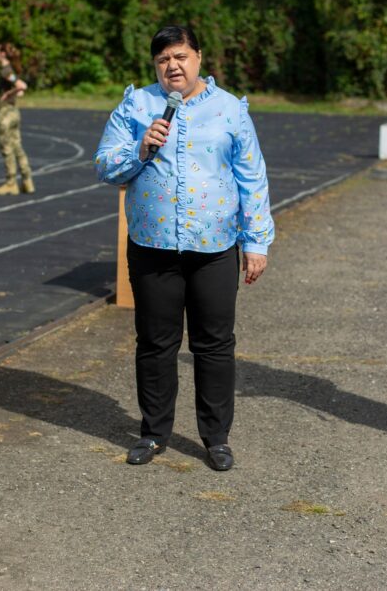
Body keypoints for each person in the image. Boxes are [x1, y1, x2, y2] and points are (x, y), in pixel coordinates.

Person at [95, 25, 274, 471]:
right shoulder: (137, 106)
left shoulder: (230, 110)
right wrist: (140, 148)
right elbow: (106, 167)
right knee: (155, 343)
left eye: (180, 56)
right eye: (162, 60)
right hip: (153, 246)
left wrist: (256, 241)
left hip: (213, 247)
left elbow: (252, 178)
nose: (172, 66)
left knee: (214, 344)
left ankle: (216, 437)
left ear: (198, 56)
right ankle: (154, 433)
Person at [0, 42, 33, 196]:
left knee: (7, 148)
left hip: (5, 112)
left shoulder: (6, 70)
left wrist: (8, 94)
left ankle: (11, 183)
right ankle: (27, 180)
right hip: (14, 111)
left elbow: (22, 86)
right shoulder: (13, 68)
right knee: (17, 146)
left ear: (2, 54)